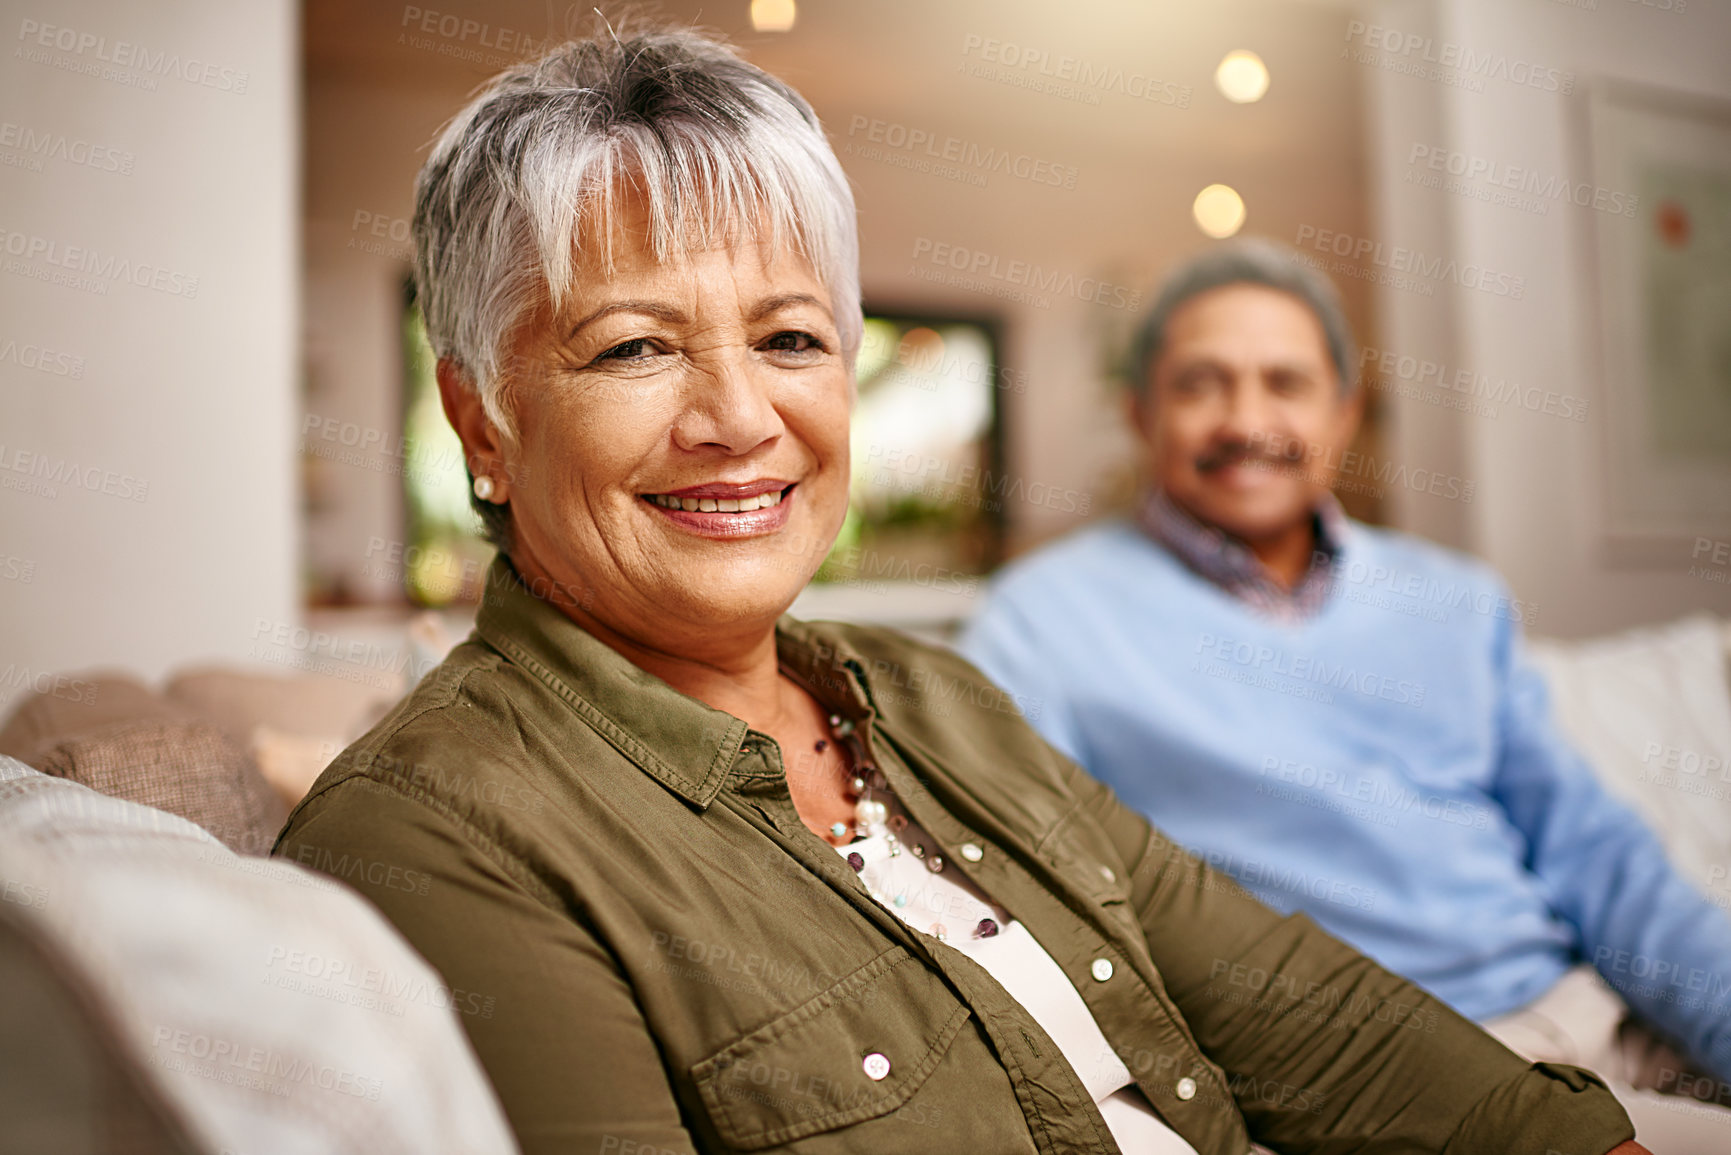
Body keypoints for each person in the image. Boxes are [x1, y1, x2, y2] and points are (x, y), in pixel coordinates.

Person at [274, 27, 1645, 1155]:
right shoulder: (434, 832)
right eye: (634, 346)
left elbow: (1301, 1008)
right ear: (481, 423)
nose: (739, 415)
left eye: (791, 336)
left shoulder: (927, 692)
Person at [961, 238, 1731, 1150]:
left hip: (1598, 1019)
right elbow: (1031, 902)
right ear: (1140, 411)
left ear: (1344, 409)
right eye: (1200, 383)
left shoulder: (1454, 598)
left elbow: (1598, 857)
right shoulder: (1037, 623)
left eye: (1284, 383)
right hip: (1380, 1081)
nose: (1247, 419)